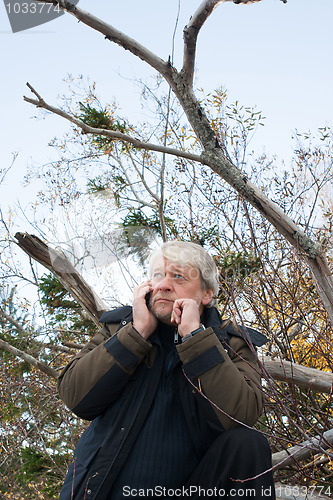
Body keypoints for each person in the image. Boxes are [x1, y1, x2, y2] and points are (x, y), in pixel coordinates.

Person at [58, 240, 275, 499]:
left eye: (179, 276)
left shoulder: (232, 343)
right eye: (158, 275)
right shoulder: (118, 329)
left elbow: (242, 414)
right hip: (102, 492)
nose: (163, 284)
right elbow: (75, 397)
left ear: (206, 294)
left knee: (248, 443)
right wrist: (136, 334)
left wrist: (195, 337)